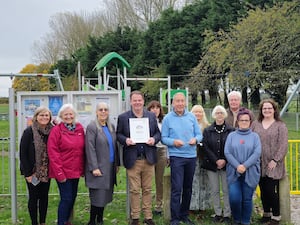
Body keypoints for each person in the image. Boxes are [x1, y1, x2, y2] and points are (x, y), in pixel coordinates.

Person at [116, 91, 161, 225]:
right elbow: (118, 134)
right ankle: (135, 217)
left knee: (147, 189)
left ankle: (148, 216)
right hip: (132, 158)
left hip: (148, 158)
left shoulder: (151, 116)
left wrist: (154, 139)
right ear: (130, 102)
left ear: (143, 101)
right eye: (134, 100)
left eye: (139, 100)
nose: (137, 103)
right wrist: (126, 140)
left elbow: (158, 133)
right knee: (134, 190)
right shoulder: (123, 117)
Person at [161, 92, 202, 225]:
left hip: (191, 156)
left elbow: (199, 134)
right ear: (173, 103)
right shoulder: (167, 118)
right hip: (176, 157)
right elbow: (163, 138)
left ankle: (184, 215)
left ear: (185, 103)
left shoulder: (191, 117)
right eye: (177, 101)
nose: (179, 103)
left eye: (182, 101)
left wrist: (195, 139)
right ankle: (175, 218)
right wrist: (173, 142)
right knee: (176, 188)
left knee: (188, 188)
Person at [251, 99, 288, 225]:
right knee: (263, 190)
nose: (267, 110)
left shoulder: (280, 125)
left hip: (273, 163)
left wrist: (275, 160)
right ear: (261, 110)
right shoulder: (255, 124)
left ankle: (276, 216)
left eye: (269, 108)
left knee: (271, 191)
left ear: (274, 109)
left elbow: (283, 145)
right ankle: (266, 213)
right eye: (264, 108)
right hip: (258, 162)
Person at [47, 103, 85, 225]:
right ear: (61, 116)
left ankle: (67, 221)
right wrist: (59, 172)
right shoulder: (56, 131)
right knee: (66, 198)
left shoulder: (79, 128)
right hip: (63, 171)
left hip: (76, 170)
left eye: (70, 114)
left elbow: (83, 150)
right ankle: (61, 222)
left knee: (72, 198)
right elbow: (53, 152)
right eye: (65, 114)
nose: (68, 116)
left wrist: (83, 169)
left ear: (74, 115)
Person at [225, 107, 261, 225]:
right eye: (242, 120)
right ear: (238, 122)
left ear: (250, 122)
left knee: (247, 199)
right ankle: (236, 219)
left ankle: (245, 221)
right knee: (235, 198)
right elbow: (227, 152)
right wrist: (237, 166)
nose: (244, 122)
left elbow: (257, 153)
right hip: (234, 172)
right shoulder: (231, 136)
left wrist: (245, 166)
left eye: (246, 120)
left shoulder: (255, 136)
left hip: (250, 172)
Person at [85, 102, 120, 225]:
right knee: (97, 196)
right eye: (101, 109)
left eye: (106, 109)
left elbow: (115, 146)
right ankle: (92, 221)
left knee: (105, 195)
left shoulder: (111, 126)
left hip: (109, 167)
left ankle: (100, 219)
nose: (103, 112)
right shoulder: (92, 127)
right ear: (96, 112)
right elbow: (90, 148)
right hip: (98, 167)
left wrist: (116, 164)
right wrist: (94, 167)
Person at [19, 106, 54, 225]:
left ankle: (42, 222)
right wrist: (28, 173)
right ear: (36, 117)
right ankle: (34, 222)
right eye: (41, 115)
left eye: (46, 115)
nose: (44, 117)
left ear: (50, 117)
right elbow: (23, 153)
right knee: (33, 198)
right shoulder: (29, 131)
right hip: (32, 172)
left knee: (44, 197)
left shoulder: (52, 131)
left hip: (46, 172)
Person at [202, 105, 235, 224]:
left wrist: (224, 160)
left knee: (226, 190)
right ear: (214, 115)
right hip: (212, 164)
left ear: (224, 115)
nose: (219, 115)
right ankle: (217, 213)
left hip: (227, 164)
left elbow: (232, 147)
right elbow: (206, 147)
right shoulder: (208, 130)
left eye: (221, 113)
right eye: (217, 113)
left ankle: (227, 214)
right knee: (215, 190)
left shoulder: (231, 130)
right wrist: (216, 160)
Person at [189, 105, 211, 218]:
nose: (197, 114)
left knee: (204, 182)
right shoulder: (188, 126)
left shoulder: (207, 126)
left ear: (203, 113)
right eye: (195, 112)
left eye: (200, 112)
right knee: (193, 181)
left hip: (204, 158)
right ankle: (192, 206)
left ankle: (203, 206)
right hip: (191, 156)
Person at [147, 100, 167, 216]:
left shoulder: (164, 122)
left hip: (161, 151)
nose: (155, 110)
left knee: (159, 180)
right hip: (149, 151)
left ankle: (159, 205)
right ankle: (147, 205)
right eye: (152, 108)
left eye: (157, 108)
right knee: (147, 180)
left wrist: (168, 155)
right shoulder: (145, 120)